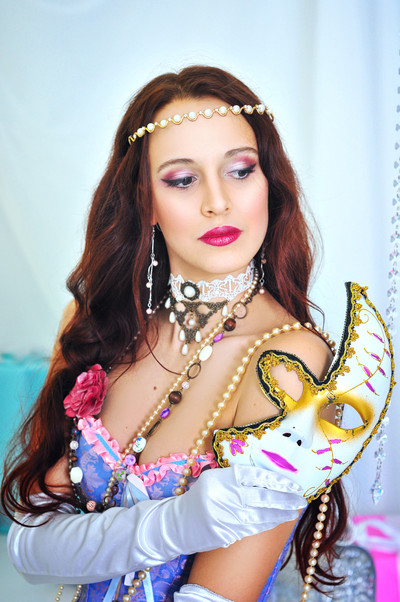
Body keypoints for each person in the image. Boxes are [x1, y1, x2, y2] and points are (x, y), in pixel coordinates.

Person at [1, 65, 350, 602]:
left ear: (270, 183)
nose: (218, 201)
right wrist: (179, 523)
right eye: (183, 179)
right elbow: (28, 546)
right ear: (145, 202)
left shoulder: (288, 362)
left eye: (241, 170)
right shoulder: (99, 324)